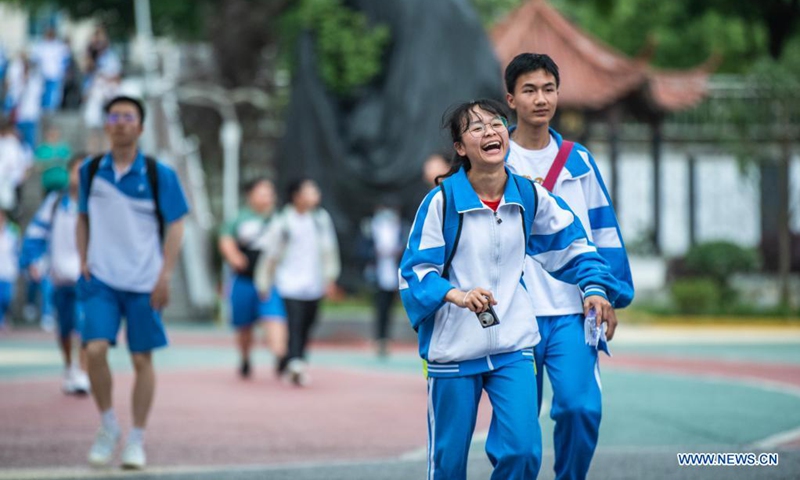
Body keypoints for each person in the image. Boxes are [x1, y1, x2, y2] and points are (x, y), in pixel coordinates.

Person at [399, 99, 629, 480]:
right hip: (454, 350)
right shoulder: (441, 202)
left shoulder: (528, 196)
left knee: (522, 452)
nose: (490, 132)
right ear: (460, 147)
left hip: (513, 345)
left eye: (496, 124)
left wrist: (593, 287)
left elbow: (574, 245)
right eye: (476, 128)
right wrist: (455, 294)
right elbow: (414, 273)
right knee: (449, 464)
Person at [504, 53, 635, 480]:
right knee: (518, 440)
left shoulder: (578, 161)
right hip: (512, 315)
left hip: (571, 313)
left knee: (581, 408)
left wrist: (605, 290)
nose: (540, 99)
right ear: (510, 98)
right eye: (529, 90)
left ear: (558, 94)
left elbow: (603, 229)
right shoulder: (493, 160)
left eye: (548, 89)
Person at [76, 95, 189, 469]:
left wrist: (165, 274)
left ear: (140, 127)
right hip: (101, 279)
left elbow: (176, 224)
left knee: (142, 358)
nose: (121, 122)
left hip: (144, 281)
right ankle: (108, 425)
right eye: (114, 116)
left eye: (128, 116)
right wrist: (82, 258)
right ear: (106, 125)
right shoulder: (92, 171)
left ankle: (136, 438)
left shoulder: (160, 174)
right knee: (93, 352)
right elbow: (82, 218)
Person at [255, 178, 340, 387]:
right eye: (311, 191)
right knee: (295, 323)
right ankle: (296, 363)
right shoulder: (283, 222)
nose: (316, 195)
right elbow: (270, 256)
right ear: (297, 196)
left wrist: (330, 277)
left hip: (313, 284)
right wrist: (264, 282)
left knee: (308, 323)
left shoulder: (320, 220)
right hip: (288, 284)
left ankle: (290, 359)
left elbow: (330, 250)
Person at [20, 156, 90, 393]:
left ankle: (82, 371)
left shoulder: (97, 203)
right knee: (65, 328)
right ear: (69, 173)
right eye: (76, 171)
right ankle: (69, 366)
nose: (80, 177)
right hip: (60, 276)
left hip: (87, 276)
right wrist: (32, 261)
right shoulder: (55, 202)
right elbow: (35, 234)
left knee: (85, 324)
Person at [218, 178, 287, 378]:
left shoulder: (280, 219)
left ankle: (281, 356)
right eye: (262, 192)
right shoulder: (239, 218)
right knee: (244, 325)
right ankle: (246, 358)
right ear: (251, 195)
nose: (267, 197)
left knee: (274, 317)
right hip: (244, 279)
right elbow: (226, 239)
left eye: (270, 192)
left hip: (268, 281)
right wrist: (234, 257)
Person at [362, 201, 405, 357]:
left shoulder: (401, 228)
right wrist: (374, 252)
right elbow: (362, 250)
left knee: (390, 308)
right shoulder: (371, 227)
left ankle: (387, 339)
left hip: (394, 274)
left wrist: (397, 252)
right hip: (377, 274)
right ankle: (378, 338)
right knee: (379, 308)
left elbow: (406, 248)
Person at [31, 28, 70, 112]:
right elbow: (35, 59)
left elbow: (65, 59)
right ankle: (43, 108)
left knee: (53, 93)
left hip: (55, 73)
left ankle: (51, 109)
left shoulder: (59, 46)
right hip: (43, 73)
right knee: (42, 92)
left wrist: (63, 70)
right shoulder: (41, 46)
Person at [35, 126, 72, 194]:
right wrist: (50, 163)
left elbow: (70, 164)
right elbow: (38, 167)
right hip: (48, 185)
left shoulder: (64, 148)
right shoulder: (42, 149)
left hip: (63, 185)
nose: (53, 135)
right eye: (51, 133)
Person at [0, 209, 19, 331]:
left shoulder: (12, 232)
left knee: (6, 297)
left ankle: (6, 317)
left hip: (8, 270)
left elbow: (16, 250)